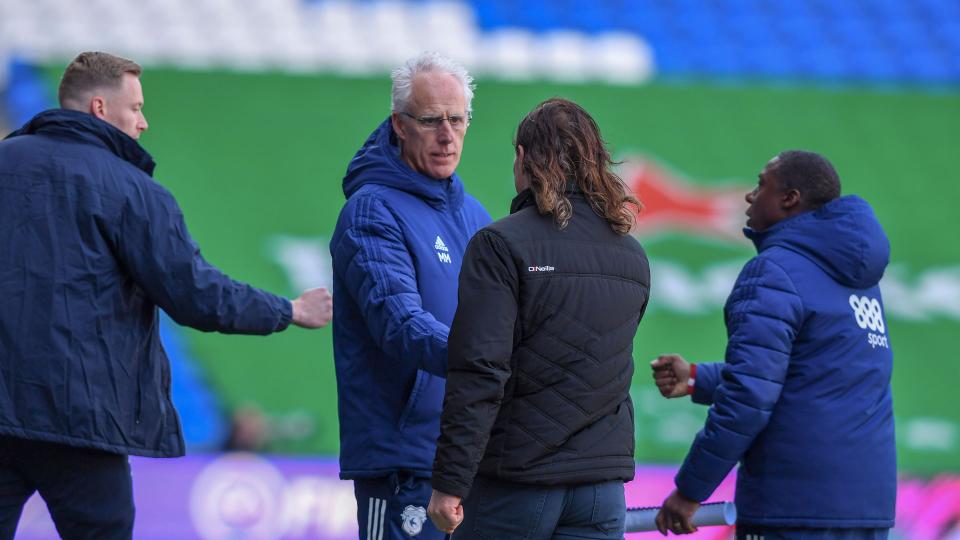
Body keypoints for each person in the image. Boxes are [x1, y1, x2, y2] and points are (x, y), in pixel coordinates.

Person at [0, 51, 332, 540]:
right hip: (81, 421)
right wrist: (288, 310)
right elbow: (195, 294)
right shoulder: (131, 190)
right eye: (135, 108)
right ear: (98, 108)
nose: (144, 121)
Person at [428, 98, 651, 539]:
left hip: (516, 484)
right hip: (602, 489)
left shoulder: (500, 244)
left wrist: (450, 482)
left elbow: (480, 371)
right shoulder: (633, 255)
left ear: (524, 159)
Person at [651, 150, 895, 539]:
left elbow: (749, 396)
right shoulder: (859, 275)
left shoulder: (774, 270)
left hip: (793, 508)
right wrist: (699, 378)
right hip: (866, 509)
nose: (750, 196)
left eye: (761, 184)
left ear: (789, 198)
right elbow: (811, 372)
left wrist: (689, 491)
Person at [329, 51, 491, 540]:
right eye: (430, 121)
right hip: (403, 467)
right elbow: (400, 323)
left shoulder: (476, 216)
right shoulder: (370, 211)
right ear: (399, 125)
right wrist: (490, 361)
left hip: (470, 459)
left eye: (457, 119)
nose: (447, 135)